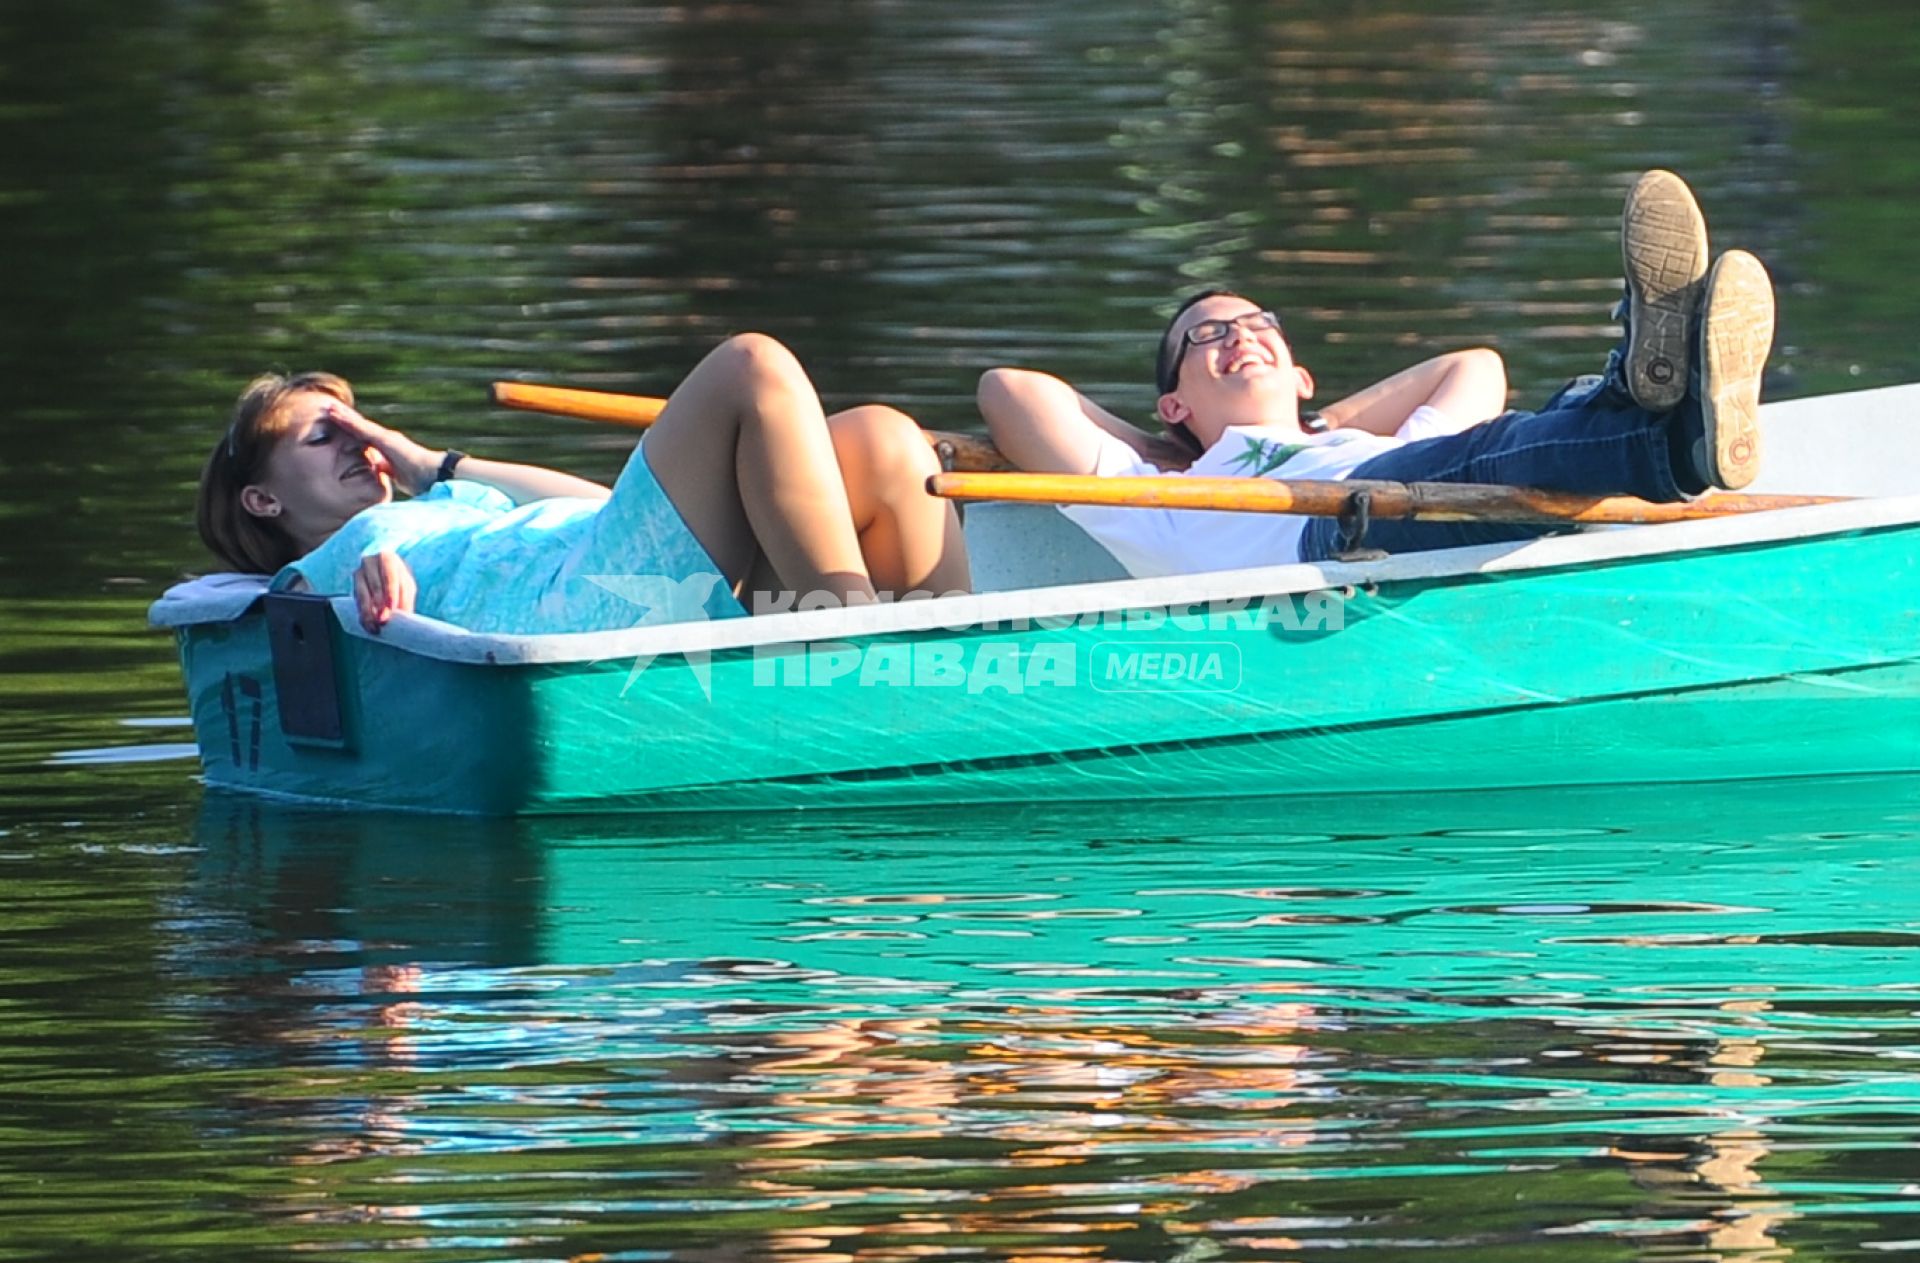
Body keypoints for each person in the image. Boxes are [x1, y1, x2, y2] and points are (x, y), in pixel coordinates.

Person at [977, 170, 1774, 576]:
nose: (1241, 337)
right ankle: (1671, 430)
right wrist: (1169, 449)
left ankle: (1650, 400)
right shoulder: (1156, 496)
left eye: (1261, 326)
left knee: (1512, 447)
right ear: (1175, 399)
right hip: (1327, 530)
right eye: (1208, 336)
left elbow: (1474, 366)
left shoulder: (1348, 437)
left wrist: (1317, 427)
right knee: (1485, 454)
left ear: (1302, 375)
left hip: (1387, 481)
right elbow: (1009, 391)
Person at [197, 333, 971, 634]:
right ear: (264, 501)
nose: (358, 444)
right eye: (326, 433)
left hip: (618, 570)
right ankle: (863, 646)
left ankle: (957, 663)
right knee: (751, 365)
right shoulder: (346, 551)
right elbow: (299, 621)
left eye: (360, 424)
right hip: (581, 617)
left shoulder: (448, 505)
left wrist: (433, 463)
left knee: (883, 440)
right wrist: (366, 579)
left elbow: (596, 503)